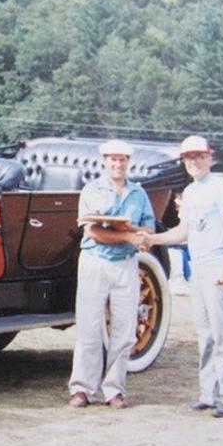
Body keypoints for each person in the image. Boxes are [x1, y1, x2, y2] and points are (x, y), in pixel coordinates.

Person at [143, 135, 223, 418]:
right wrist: (152, 239)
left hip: (216, 265)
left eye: (199, 156)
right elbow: (183, 232)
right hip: (198, 267)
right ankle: (208, 394)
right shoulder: (189, 193)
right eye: (189, 158)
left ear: (210, 157)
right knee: (205, 334)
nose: (194, 162)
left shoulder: (221, 187)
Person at [68, 139, 155, 410]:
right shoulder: (92, 190)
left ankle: (114, 390)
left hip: (127, 264)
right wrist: (129, 235)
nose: (118, 164)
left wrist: (129, 234)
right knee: (89, 327)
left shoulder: (139, 194)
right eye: (113, 160)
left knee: (125, 330)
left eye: (122, 160)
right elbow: (93, 231)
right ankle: (82, 388)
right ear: (104, 162)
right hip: (95, 261)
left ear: (129, 163)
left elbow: (149, 228)